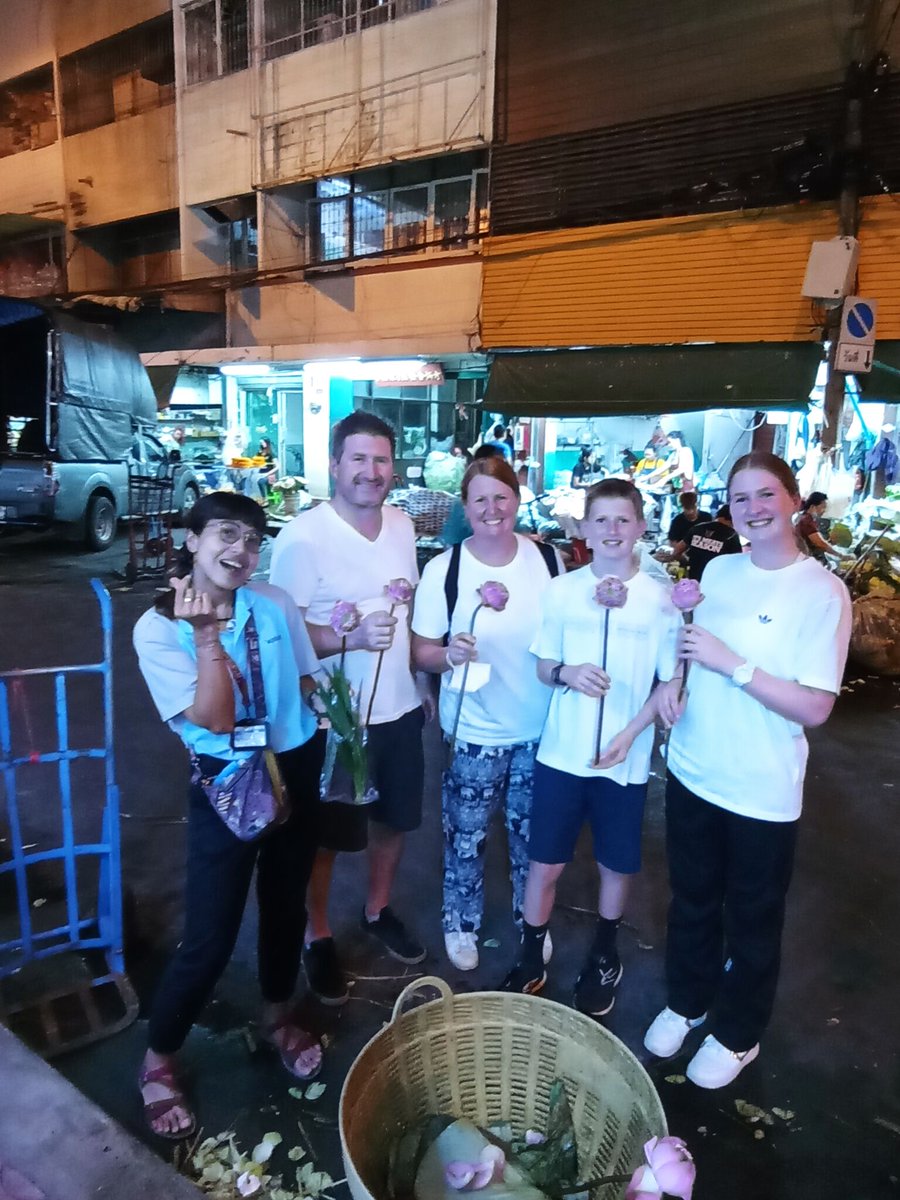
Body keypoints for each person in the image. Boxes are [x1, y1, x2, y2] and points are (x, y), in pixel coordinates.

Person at [644, 452, 852, 1089]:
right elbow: (690, 646)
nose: (754, 509)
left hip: (760, 788)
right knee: (693, 899)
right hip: (694, 767)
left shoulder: (822, 591)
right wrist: (675, 684)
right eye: (740, 499)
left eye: (766, 495)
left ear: (793, 500)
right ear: (727, 509)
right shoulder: (720, 571)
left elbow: (815, 705)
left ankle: (739, 1035)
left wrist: (733, 665)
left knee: (754, 917)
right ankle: (689, 999)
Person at [132, 493, 325, 1139]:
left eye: (252, 540)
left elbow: (302, 680)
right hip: (226, 784)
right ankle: (159, 1058)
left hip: (293, 765)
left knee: (285, 906)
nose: (240, 551)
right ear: (192, 540)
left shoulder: (272, 604)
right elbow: (213, 720)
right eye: (226, 534)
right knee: (210, 934)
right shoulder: (158, 629)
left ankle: (277, 1018)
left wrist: (334, 729)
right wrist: (208, 636)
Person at [269, 411, 430, 1006]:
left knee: (394, 821)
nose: (371, 471)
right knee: (328, 836)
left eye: (381, 460)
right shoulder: (303, 537)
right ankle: (318, 934)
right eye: (358, 459)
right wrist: (349, 640)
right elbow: (282, 633)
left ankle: (378, 908)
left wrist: (425, 681)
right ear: (335, 465)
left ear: (394, 468)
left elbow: (409, 618)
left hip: (400, 708)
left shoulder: (403, 527)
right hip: (336, 720)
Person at [501, 479, 679, 1019]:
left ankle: (605, 952)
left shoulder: (660, 600)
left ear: (642, 527)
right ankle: (531, 954)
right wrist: (567, 673)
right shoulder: (562, 591)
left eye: (624, 520)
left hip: (624, 762)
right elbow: (542, 665)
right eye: (600, 520)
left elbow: (667, 686)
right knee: (545, 862)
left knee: (615, 864)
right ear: (582, 529)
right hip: (561, 756)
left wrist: (629, 737)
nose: (612, 531)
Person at [411, 457, 563, 971]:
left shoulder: (549, 561)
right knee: (465, 835)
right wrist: (447, 655)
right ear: (466, 506)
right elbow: (421, 650)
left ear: (517, 501)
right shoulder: (445, 569)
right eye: (480, 499)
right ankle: (461, 922)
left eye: (501, 497)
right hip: (474, 731)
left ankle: (532, 921)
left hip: (541, 731)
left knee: (533, 839)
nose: (492, 509)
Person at [684, 504, 742, 580]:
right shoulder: (731, 536)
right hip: (715, 581)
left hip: (693, 579)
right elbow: (737, 563)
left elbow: (678, 550)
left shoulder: (697, 528)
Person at [795, 492, 851, 562]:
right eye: (823, 507)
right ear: (813, 507)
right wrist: (841, 556)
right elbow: (820, 543)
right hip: (804, 558)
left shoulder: (805, 517)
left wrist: (828, 543)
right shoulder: (807, 521)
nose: (824, 511)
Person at [667, 492, 711, 561]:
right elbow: (672, 541)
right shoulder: (677, 520)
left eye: (692, 508)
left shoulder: (707, 518)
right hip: (682, 554)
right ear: (682, 507)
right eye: (687, 508)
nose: (690, 512)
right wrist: (681, 553)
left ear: (696, 505)